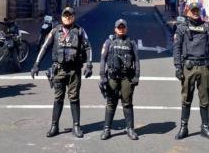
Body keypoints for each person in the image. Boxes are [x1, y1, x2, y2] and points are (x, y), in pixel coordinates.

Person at [31, 7, 94, 138]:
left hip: (74, 71)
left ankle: (76, 126)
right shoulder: (55, 31)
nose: (68, 17)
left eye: (70, 15)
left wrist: (89, 65)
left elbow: (88, 47)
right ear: (61, 17)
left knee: (74, 98)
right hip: (58, 70)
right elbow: (45, 46)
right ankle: (54, 126)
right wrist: (36, 64)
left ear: (74, 16)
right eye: (65, 15)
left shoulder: (80, 31)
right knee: (58, 98)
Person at [173, 2, 209, 141]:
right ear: (188, 11)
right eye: (193, 10)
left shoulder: (207, 27)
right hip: (188, 67)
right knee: (186, 98)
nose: (195, 12)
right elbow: (176, 48)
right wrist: (177, 66)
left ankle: (205, 127)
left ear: (200, 11)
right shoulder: (182, 28)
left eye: (197, 10)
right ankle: (183, 127)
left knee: (205, 99)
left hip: (205, 67)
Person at [99, 19, 140, 140]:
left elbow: (136, 60)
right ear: (115, 29)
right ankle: (107, 129)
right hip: (112, 77)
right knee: (111, 103)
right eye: (119, 27)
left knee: (127, 103)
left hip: (126, 77)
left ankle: (130, 129)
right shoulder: (109, 41)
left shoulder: (131, 42)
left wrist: (137, 75)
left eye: (123, 27)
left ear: (126, 28)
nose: (121, 29)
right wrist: (102, 76)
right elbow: (103, 59)